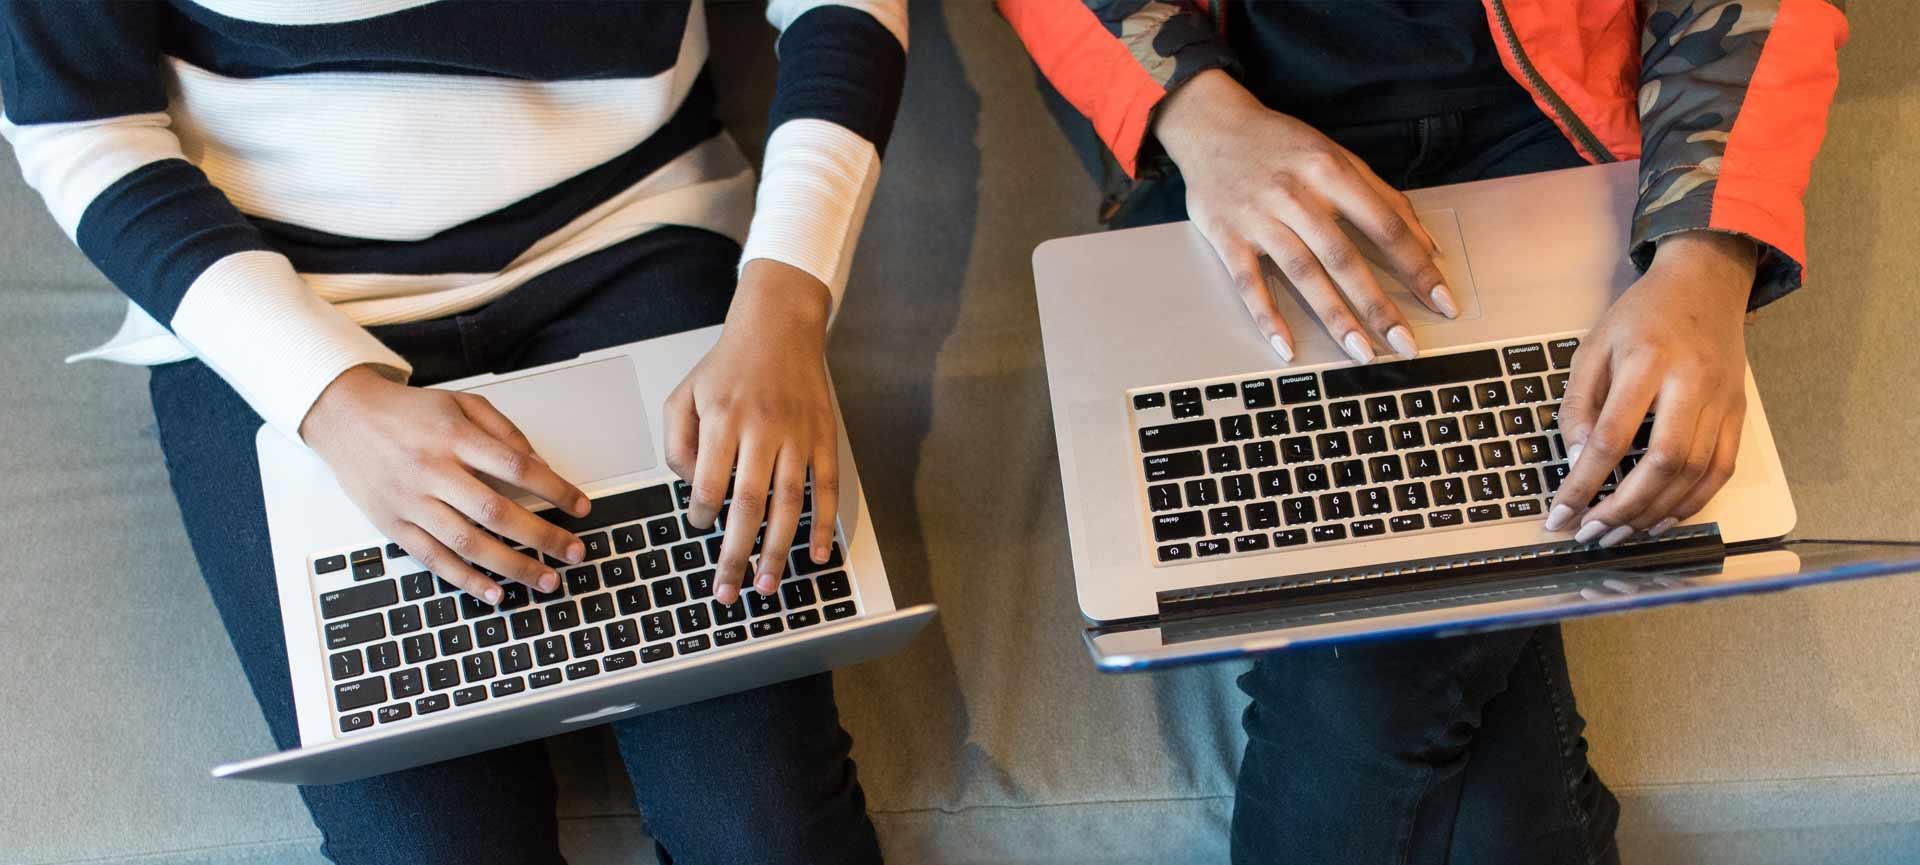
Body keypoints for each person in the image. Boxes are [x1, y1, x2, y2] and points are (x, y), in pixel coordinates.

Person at [0, 1, 906, 862]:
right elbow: (78, 119)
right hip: (275, 276)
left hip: (628, 228)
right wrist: (328, 398)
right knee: (431, 849)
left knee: (766, 827)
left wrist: (787, 298)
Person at [999, 0, 1846, 861]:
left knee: (1365, 689)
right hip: (1241, 122)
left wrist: (1706, 254)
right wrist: (1198, 112)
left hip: (1553, 137)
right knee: (1488, 817)